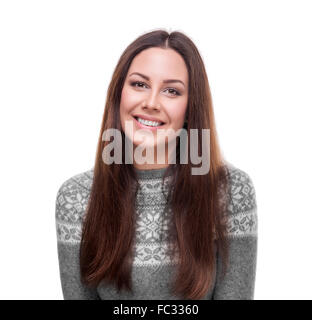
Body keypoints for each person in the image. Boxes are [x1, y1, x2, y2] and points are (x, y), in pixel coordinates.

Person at [55, 29, 258, 300]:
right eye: (139, 84)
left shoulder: (231, 190)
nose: (151, 103)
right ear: (119, 94)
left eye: (171, 91)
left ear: (190, 108)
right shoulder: (76, 198)